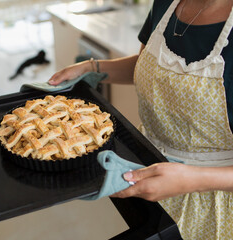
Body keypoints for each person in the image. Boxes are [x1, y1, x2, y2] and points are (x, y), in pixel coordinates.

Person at [48, 0, 233, 239]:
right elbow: (150, 65)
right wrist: (91, 67)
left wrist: (193, 179)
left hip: (213, 202)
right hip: (141, 170)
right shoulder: (167, 3)